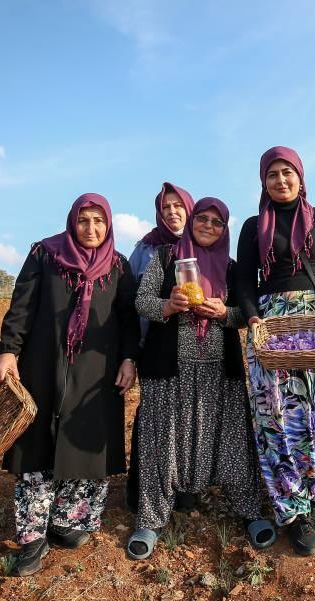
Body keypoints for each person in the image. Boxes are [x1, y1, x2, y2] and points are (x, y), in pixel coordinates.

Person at [0, 193, 140, 576]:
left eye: (99, 222)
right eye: (83, 221)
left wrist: (128, 359)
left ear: (109, 226)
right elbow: (21, 305)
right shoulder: (45, 255)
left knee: (86, 444)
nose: (91, 229)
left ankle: (69, 519)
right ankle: (32, 537)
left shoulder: (119, 267)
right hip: (43, 366)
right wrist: (8, 350)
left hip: (97, 371)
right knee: (37, 444)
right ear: (72, 222)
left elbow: (126, 320)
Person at [127, 197, 276, 560]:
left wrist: (226, 312)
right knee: (162, 440)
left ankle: (249, 510)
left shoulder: (232, 267)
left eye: (217, 222)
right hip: (168, 368)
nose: (208, 226)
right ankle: (150, 518)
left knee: (230, 438)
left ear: (225, 228)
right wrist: (167, 305)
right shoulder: (166, 258)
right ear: (192, 221)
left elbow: (247, 314)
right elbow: (141, 300)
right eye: (202, 219)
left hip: (217, 368)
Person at [235, 146, 315, 556]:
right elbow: (245, 285)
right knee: (278, 418)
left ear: (300, 177)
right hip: (273, 326)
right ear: (263, 182)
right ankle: (294, 512)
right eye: (272, 175)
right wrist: (254, 321)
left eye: (287, 172)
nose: (281, 180)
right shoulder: (253, 226)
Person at [125, 182, 196, 512]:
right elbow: (130, 302)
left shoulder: (206, 245)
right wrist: (132, 350)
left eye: (177, 205)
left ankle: (184, 489)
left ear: (189, 208)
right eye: (166, 206)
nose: (172, 211)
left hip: (197, 350)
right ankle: (143, 488)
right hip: (154, 347)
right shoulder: (146, 249)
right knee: (153, 418)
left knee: (189, 417)